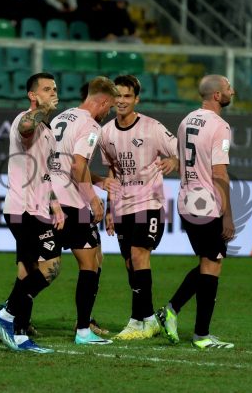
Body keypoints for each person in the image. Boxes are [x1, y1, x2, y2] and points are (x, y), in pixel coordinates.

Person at [156, 74, 235, 349]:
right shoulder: (221, 127)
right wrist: (228, 214)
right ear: (217, 95)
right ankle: (200, 334)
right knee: (212, 263)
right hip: (207, 204)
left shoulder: (186, 120)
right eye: (228, 88)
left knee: (209, 262)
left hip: (186, 200)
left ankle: (171, 312)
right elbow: (220, 173)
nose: (232, 91)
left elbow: (180, 161)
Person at [98, 75, 178, 340]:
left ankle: (135, 322)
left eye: (127, 96)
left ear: (136, 99)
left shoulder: (152, 128)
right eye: (117, 96)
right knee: (130, 264)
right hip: (122, 205)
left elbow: (179, 151)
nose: (121, 101)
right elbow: (111, 171)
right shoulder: (106, 133)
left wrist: (173, 162)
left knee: (138, 255)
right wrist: (110, 209)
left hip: (149, 202)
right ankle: (148, 319)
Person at [0, 72, 64, 353]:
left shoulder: (48, 129)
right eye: (47, 89)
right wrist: (40, 111)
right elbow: (24, 127)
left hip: (38, 209)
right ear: (33, 96)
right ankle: (10, 321)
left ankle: (14, 324)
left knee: (36, 269)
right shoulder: (28, 120)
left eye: (55, 88)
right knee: (46, 267)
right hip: (21, 209)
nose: (54, 93)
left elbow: (46, 174)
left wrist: (55, 203)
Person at [50, 76, 120, 345]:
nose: (108, 113)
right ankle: (83, 330)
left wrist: (100, 181)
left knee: (42, 266)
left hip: (51, 198)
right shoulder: (91, 126)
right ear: (102, 101)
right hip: (72, 201)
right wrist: (93, 198)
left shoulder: (62, 117)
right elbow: (77, 166)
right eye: (109, 107)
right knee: (91, 262)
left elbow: (66, 160)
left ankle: (15, 317)